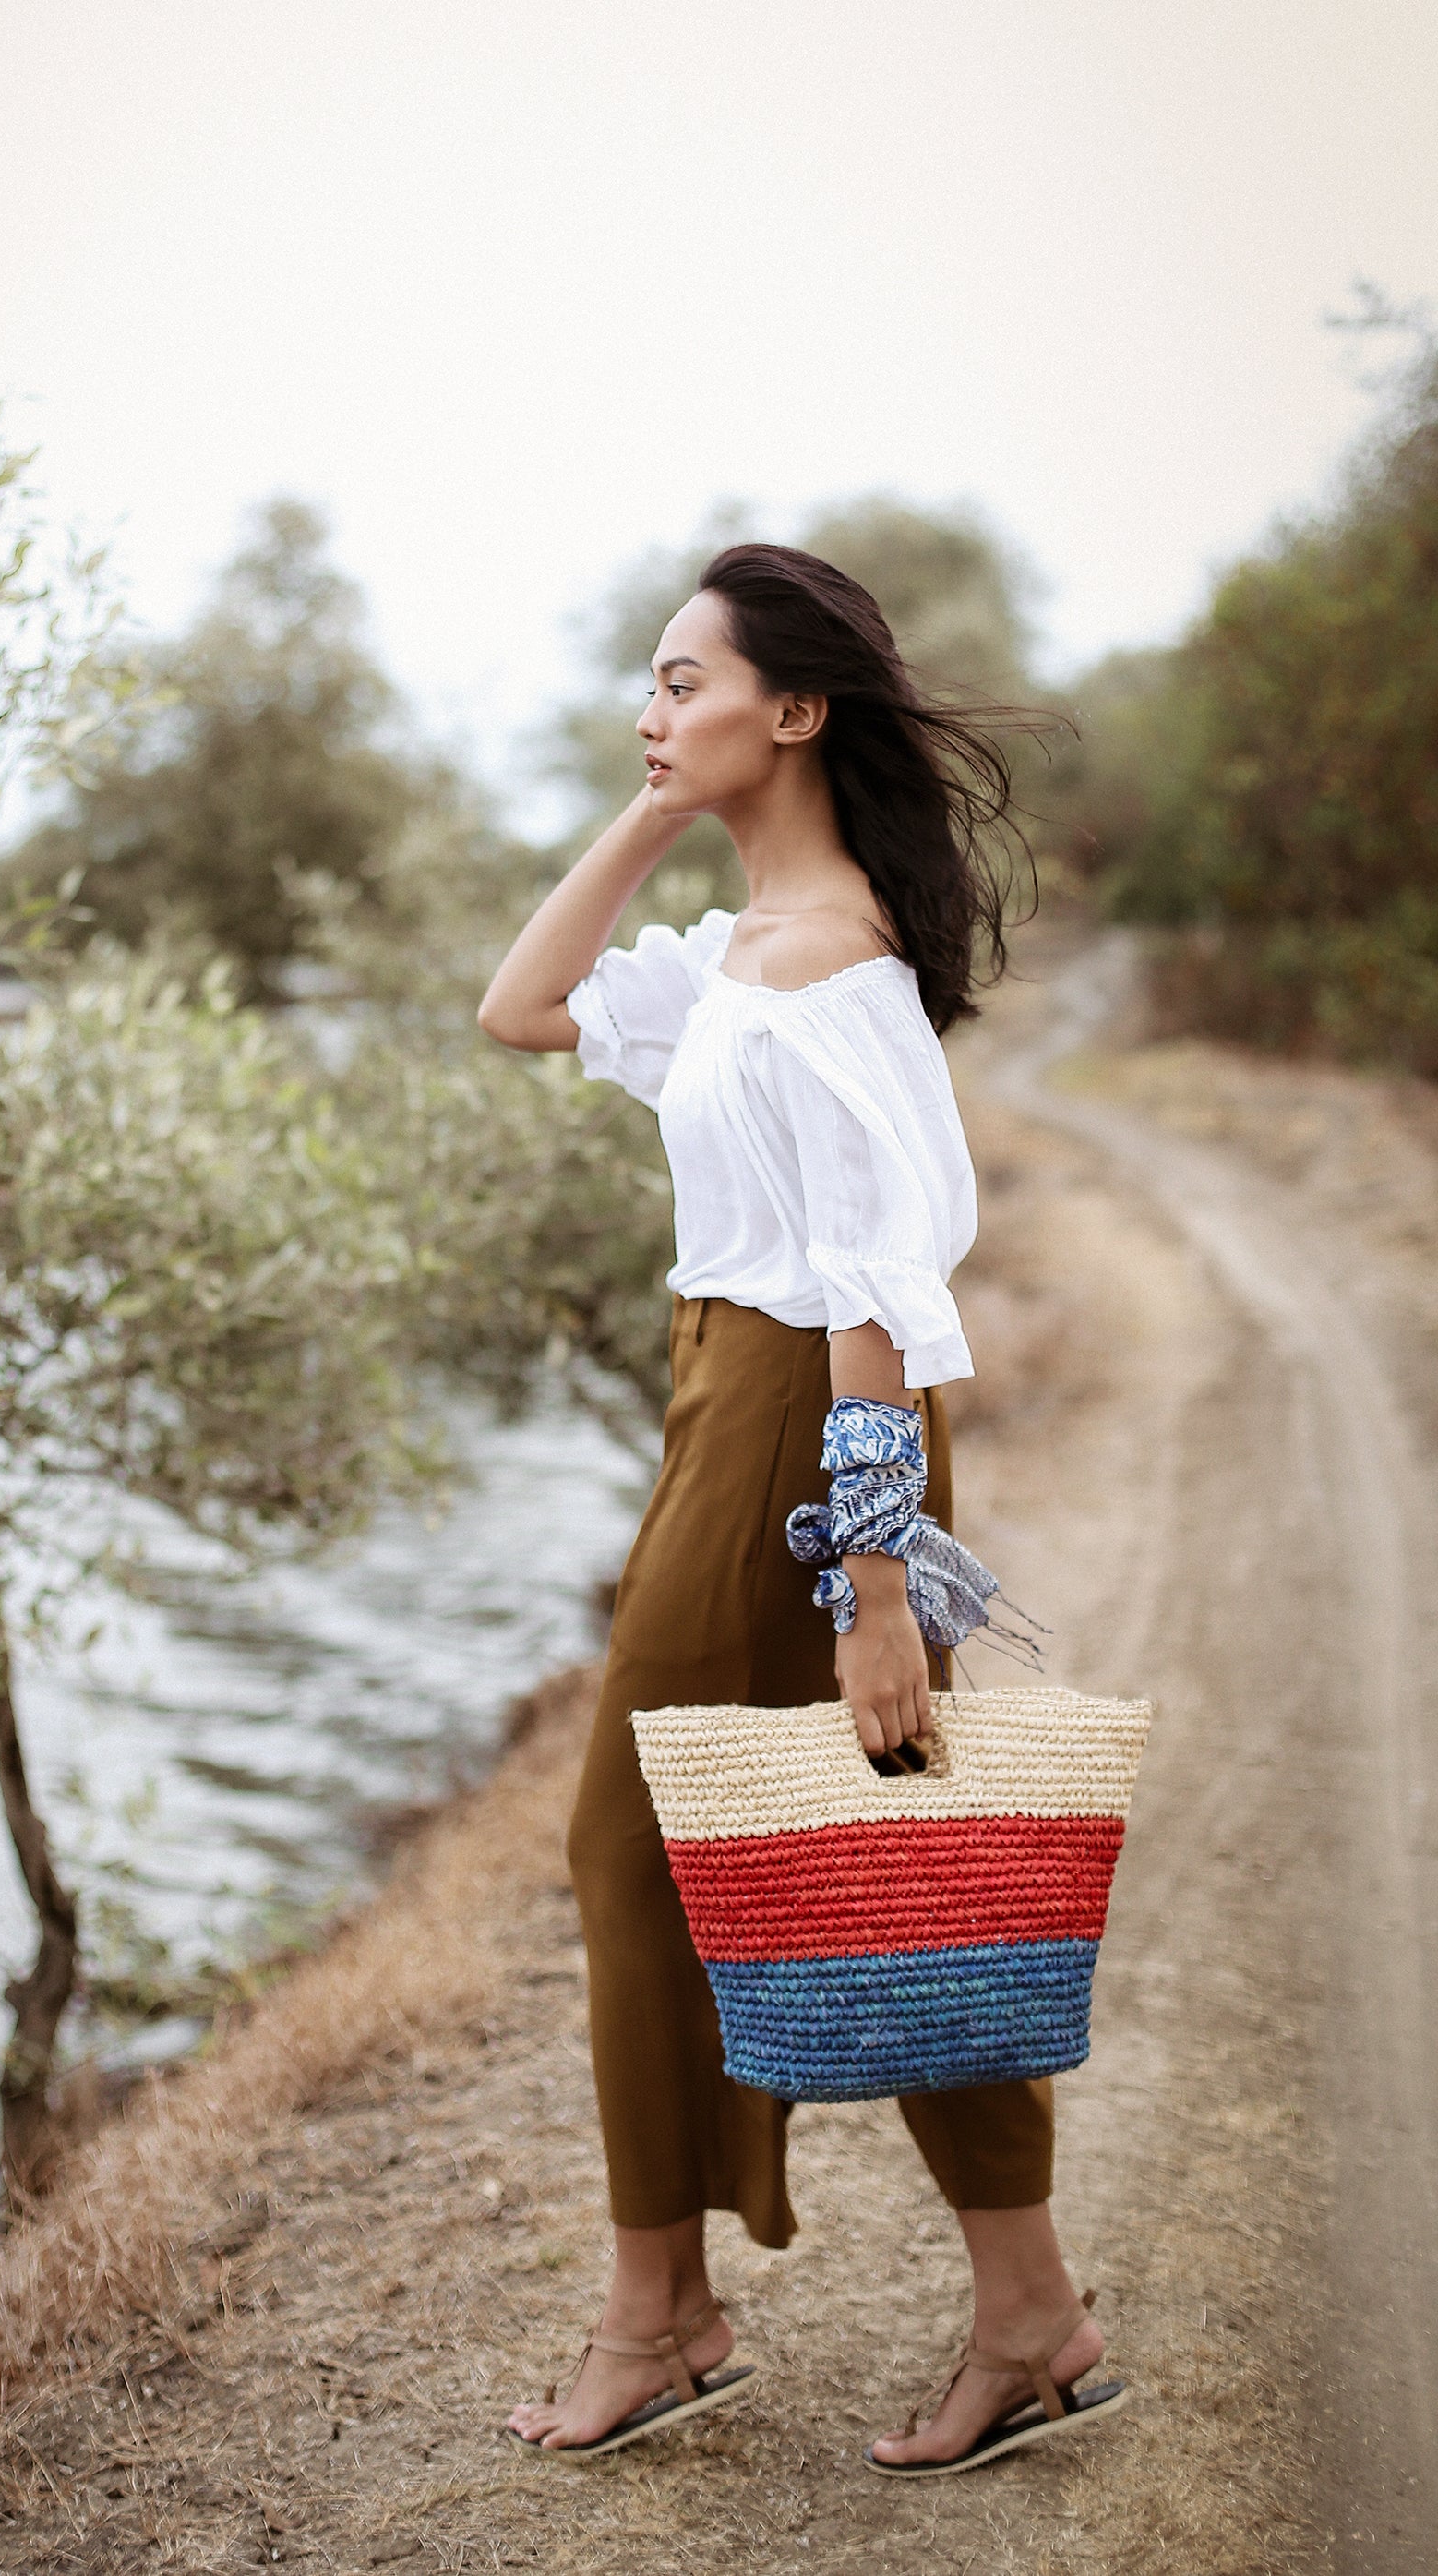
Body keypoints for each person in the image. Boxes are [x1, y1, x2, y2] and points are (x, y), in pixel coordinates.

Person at [477, 544, 1120, 2474]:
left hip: (793, 1423)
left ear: (800, 708)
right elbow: (519, 1008)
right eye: (645, 685)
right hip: (717, 1401)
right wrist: (649, 809)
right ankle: (1019, 2316)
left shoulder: (832, 971)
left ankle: (661, 2313)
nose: (648, 710)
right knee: (872, 1849)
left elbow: (873, 1293)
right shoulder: (741, 963)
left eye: (682, 681)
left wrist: (867, 1578)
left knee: (653, 1845)